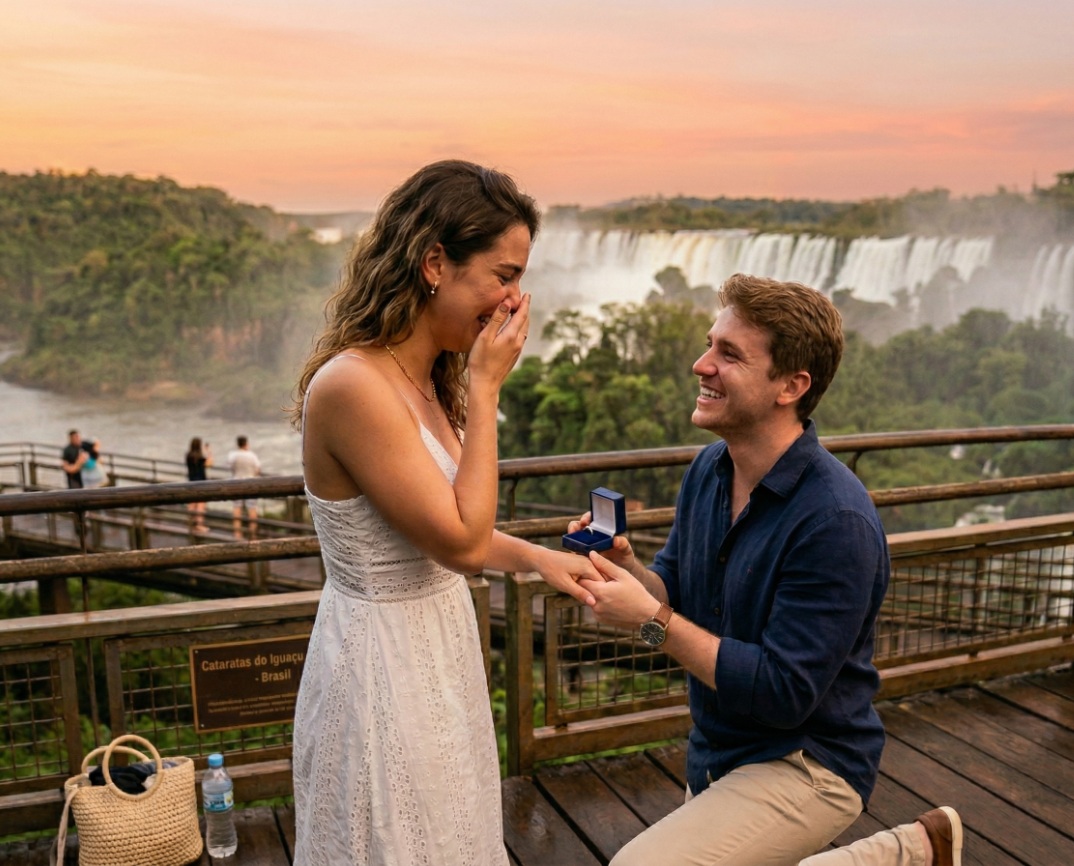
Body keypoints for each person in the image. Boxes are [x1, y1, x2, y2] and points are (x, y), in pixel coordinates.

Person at [573, 274, 963, 866]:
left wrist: (652, 620)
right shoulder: (708, 471)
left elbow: (783, 693)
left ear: (791, 385)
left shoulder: (835, 521)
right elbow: (669, 588)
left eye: (729, 354)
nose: (701, 365)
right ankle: (919, 851)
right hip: (719, 750)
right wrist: (628, 572)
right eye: (711, 344)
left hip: (807, 761)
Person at [288, 159, 601, 866]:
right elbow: (460, 541)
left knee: (449, 833)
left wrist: (541, 559)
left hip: (438, 647)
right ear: (435, 263)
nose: (514, 299)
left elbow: (449, 526)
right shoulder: (353, 386)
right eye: (504, 274)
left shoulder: (426, 380)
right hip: (381, 666)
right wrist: (487, 389)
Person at [226, 435, 261, 539]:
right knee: (252, 509)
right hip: (250, 483)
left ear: (238, 444)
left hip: (236, 482)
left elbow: (229, 466)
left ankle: (237, 534)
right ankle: (253, 534)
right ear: (246, 443)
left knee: (237, 508)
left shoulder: (233, 455)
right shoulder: (252, 455)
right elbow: (258, 469)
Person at [185, 437, 213, 533]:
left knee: (192, 504)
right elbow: (210, 463)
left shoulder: (188, 456)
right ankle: (199, 525)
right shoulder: (200, 457)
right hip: (201, 483)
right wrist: (208, 451)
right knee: (201, 506)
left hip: (191, 482)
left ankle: (191, 524)